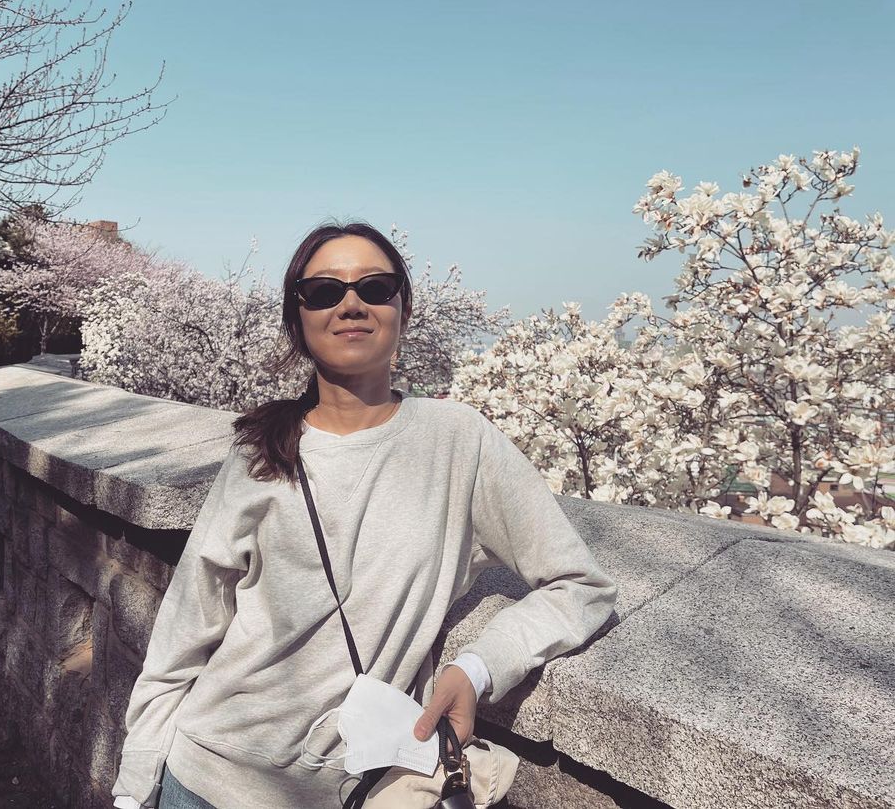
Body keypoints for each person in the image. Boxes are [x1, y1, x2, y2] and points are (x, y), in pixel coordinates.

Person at [111, 220, 618, 809]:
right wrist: (134, 788)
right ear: (298, 319)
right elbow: (184, 631)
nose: (351, 304)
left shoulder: (458, 441)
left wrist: (478, 668)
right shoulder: (260, 454)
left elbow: (581, 587)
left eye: (375, 288)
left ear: (403, 309)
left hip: (347, 788)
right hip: (207, 776)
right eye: (324, 291)